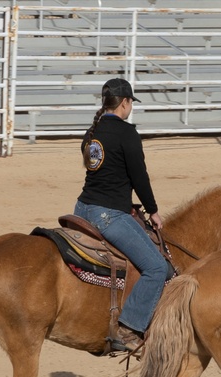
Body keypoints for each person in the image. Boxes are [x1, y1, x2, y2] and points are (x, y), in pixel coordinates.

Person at [74, 77, 168, 354]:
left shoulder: (91, 133)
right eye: (130, 103)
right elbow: (139, 177)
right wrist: (153, 210)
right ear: (125, 102)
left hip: (82, 209)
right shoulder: (127, 134)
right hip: (108, 215)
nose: (131, 108)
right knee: (157, 268)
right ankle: (129, 329)